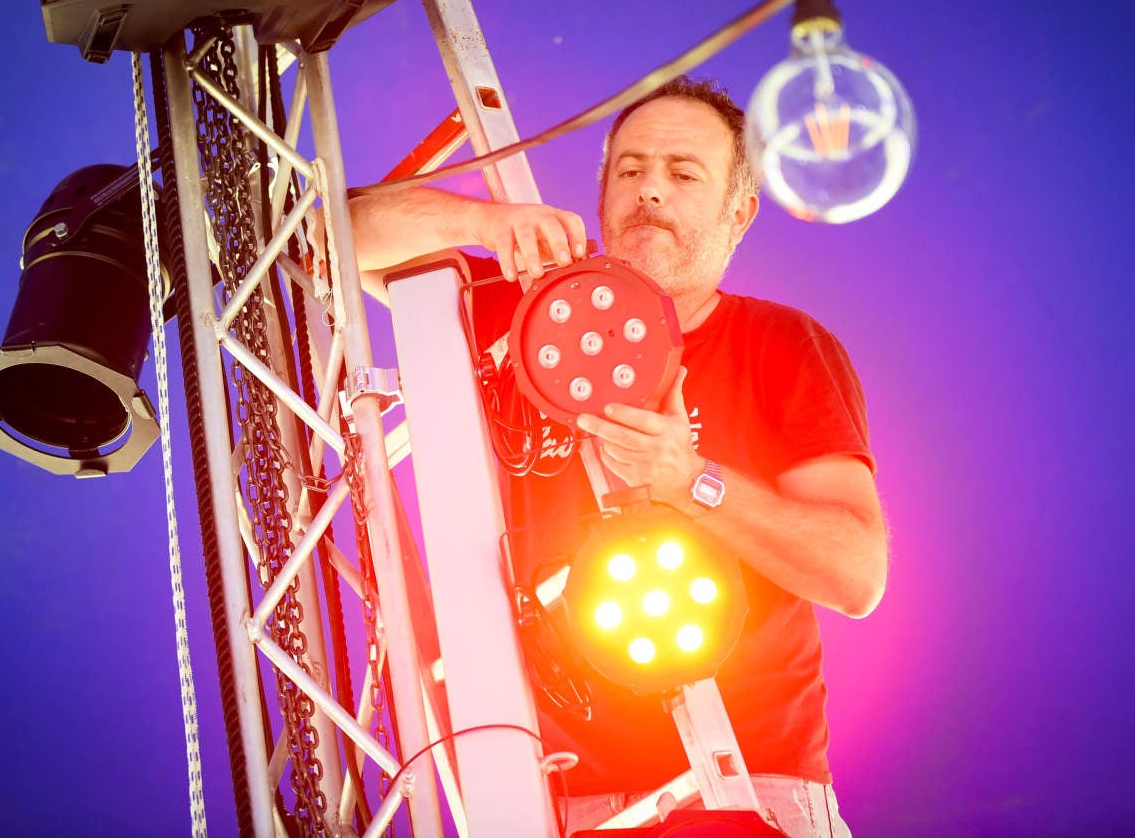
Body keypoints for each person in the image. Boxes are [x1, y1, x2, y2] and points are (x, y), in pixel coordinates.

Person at [349, 76, 888, 837]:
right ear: (600, 194)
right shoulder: (514, 317)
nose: (650, 191)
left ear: (739, 213)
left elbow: (855, 571)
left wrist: (687, 480)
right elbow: (332, 234)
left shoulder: (782, 345)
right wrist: (485, 221)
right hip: (544, 797)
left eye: (683, 172)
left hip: (744, 789)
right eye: (629, 170)